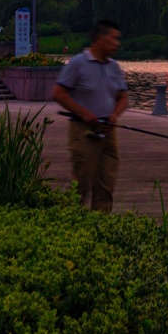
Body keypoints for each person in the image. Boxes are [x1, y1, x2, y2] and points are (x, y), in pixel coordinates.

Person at [52, 20, 128, 212]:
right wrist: (84, 113)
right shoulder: (78, 63)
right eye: (114, 38)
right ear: (99, 39)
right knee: (82, 184)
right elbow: (59, 93)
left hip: (108, 132)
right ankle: (70, 223)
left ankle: (99, 227)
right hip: (83, 131)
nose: (117, 44)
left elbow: (123, 98)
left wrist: (114, 115)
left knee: (106, 186)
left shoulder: (114, 67)